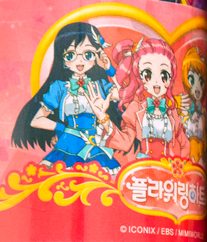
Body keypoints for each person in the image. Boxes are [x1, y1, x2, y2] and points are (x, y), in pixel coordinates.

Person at [11, 22, 123, 171]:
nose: (80, 61)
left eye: (88, 54)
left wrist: (110, 69)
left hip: (94, 142)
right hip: (68, 143)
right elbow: (36, 120)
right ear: (63, 60)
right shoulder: (59, 88)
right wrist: (61, 128)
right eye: (71, 55)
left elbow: (123, 95)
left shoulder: (99, 86)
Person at [111, 38, 189, 159]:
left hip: (166, 166)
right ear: (139, 76)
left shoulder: (172, 113)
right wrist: (104, 119)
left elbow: (185, 144)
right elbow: (125, 142)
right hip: (141, 166)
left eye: (164, 75)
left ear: (171, 78)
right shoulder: (135, 109)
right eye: (147, 75)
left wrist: (181, 163)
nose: (156, 82)